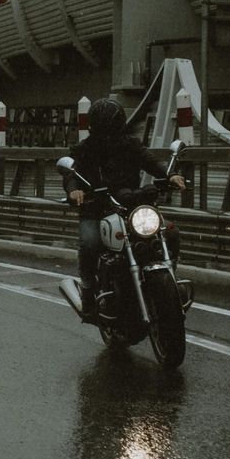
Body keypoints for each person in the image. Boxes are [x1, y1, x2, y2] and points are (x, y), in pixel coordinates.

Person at [64, 96, 185, 312]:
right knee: (90, 242)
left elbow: (150, 161)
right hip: (97, 208)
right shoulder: (84, 149)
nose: (109, 134)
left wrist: (170, 175)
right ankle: (89, 290)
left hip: (130, 206)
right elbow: (72, 172)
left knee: (170, 232)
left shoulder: (131, 144)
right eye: (105, 128)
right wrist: (74, 190)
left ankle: (170, 278)